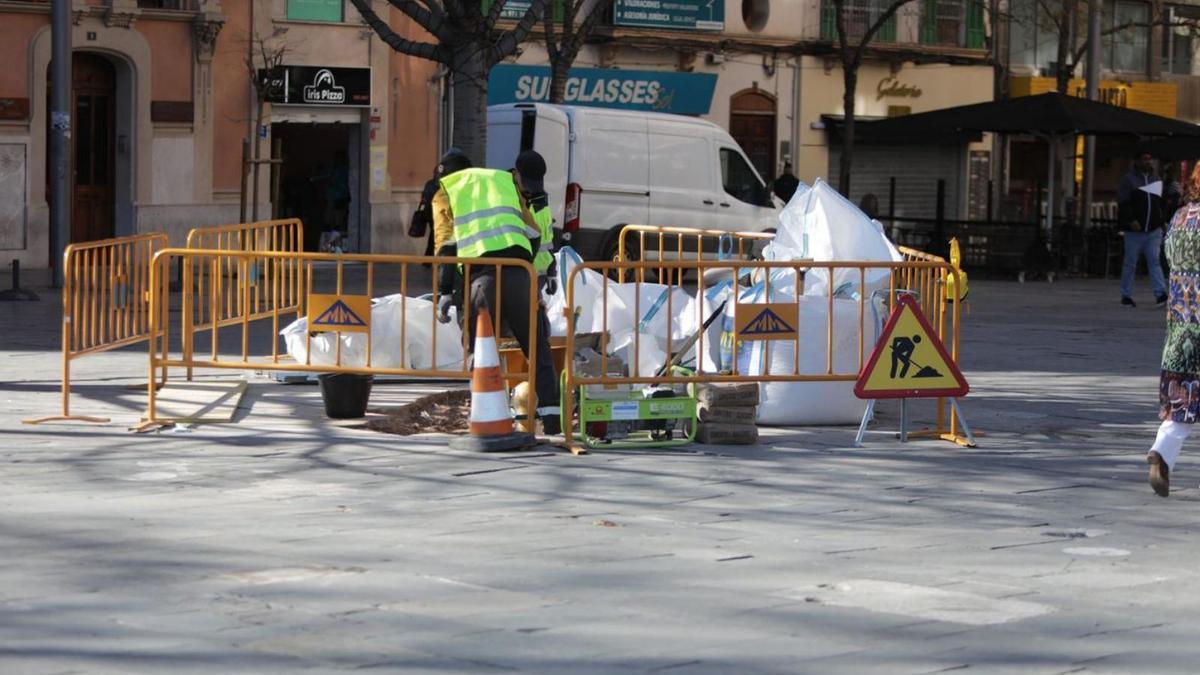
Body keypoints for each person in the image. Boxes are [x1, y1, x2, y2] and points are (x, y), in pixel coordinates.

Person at [430, 148, 561, 435]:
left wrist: (446, 290)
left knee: (482, 350)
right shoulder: (503, 180)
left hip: (482, 278)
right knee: (537, 348)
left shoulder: (446, 190)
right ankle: (552, 419)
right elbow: (535, 233)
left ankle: (488, 415)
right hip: (518, 271)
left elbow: (446, 245)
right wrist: (526, 270)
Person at [1145, 163, 1200, 497]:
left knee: (1182, 400)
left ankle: (1161, 453)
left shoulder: (1180, 218)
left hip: (1181, 325)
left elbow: (1168, 260)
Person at [1117, 150, 1167, 308]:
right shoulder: (1129, 180)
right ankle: (1126, 295)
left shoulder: (1156, 179)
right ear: (1137, 161)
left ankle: (1161, 294)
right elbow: (1123, 202)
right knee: (1130, 263)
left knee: (1154, 261)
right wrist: (1131, 220)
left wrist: (1161, 221)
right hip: (1135, 231)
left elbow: (1159, 203)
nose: (1148, 162)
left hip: (1153, 229)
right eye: (1145, 159)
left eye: (1150, 159)